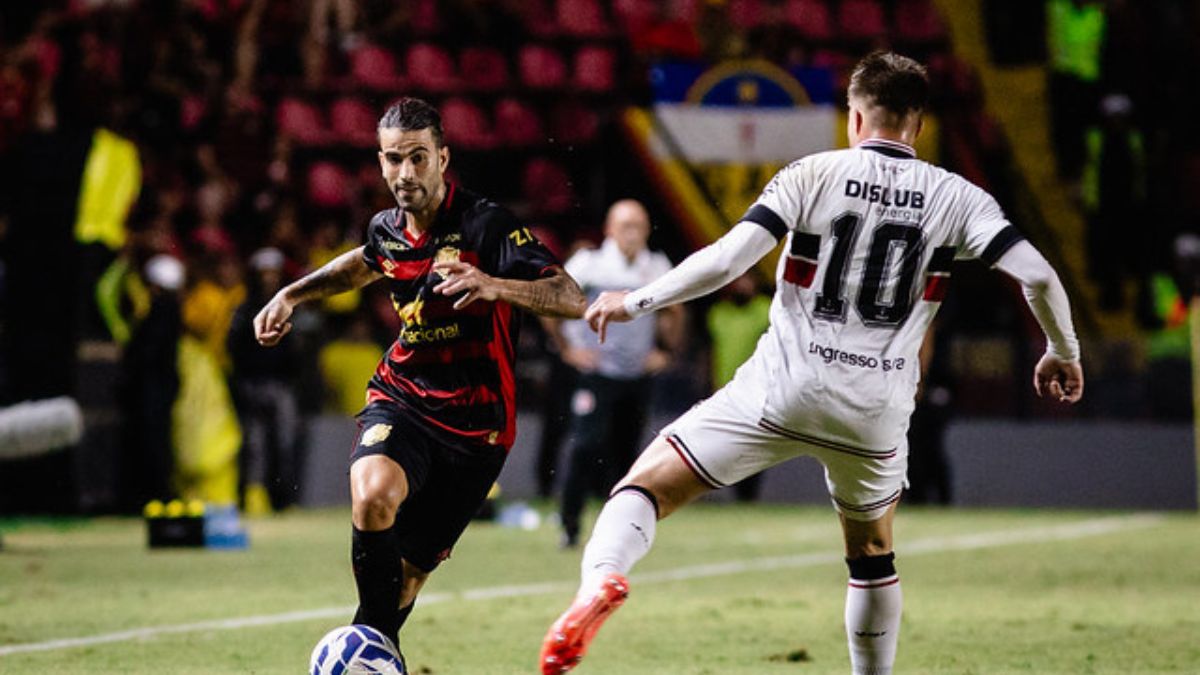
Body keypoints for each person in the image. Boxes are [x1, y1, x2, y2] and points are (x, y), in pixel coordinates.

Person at [539, 52, 1084, 675]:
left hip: (782, 387)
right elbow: (1038, 276)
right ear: (919, 123)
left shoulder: (811, 173)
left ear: (854, 117)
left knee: (642, 487)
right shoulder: (958, 197)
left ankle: (600, 582)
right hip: (875, 410)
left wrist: (636, 301)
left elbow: (727, 261)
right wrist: (1061, 351)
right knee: (873, 554)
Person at [253, 97, 586, 660]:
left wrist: (495, 285)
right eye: (393, 159)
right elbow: (362, 262)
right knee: (373, 496)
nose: (405, 174)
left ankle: (372, 653)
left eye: (418, 158)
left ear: (442, 157)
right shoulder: (386, 228)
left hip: (477, 427)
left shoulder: (487, 224)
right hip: (403, 397)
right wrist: (291, 292)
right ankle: (368, 660)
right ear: (380, 162)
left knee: (405, 580)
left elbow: (571, 298)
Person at [543, 200, 683, 547]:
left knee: (629, 454)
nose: (632, 233)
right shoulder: (590, 263)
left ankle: (620, 532)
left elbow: (675, 311)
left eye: (638, 225)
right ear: (609, 229)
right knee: (584, 445)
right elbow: (549, 301)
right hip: (597, 371)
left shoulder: (656, 265)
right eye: (625, 226)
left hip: (636, 374)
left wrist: (666, 352)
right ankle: (569, 523)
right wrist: (567, 349)